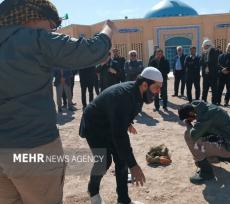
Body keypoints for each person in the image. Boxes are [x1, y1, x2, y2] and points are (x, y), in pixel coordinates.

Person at [0, 0, 115, 203]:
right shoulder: (34, 39)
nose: (52, 31)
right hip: (33, 148)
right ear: (33, 16)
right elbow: (92, 50)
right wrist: (109, 29)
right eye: (52, 26)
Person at [79, 67, 163, 204]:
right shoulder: (124, 96)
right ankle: (93, 191)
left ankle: (123, 200)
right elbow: (120, 136)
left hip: (110, 121)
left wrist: (127, 122)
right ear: (144, 85)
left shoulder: (138, 92)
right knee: (104, 161)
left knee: (121, 159)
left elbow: (124, 113)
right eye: (156, 87)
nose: (158, 92)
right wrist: (134, 166)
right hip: (94, 124)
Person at [178, 101, 230, 184]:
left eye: (187, 118)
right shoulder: (201, 107)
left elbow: (194, 135)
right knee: (202, 158)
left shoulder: (206, 115)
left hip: (229, 145)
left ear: (191, 112)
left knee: (188, 135)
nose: (188, 120)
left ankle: (206, 173)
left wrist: (188, 124)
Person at [201, 39, 220, 104]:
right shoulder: (204, 52)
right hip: (206, 75)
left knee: (214, 90)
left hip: (213, 75)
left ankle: (214, 104)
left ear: (208, 45)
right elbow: (201, 62)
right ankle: (203, 103)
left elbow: (211, 61)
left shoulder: (214, 51)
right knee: (204, 90)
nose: (203, 47)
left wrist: (204, 62)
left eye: (204, 46)